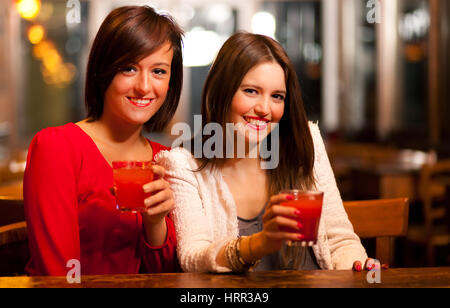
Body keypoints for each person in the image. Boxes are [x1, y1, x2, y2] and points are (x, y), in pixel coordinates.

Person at [156, 32, 371, 273]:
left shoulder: (305, 142)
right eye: (251, 91)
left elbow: (340, 241)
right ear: (222, 92)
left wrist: (359, 266)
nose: (264, 109)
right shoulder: (183, 164)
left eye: (277, 96)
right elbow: (193, 257)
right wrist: (259, 243)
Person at [24, 6, 183, 276]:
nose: (144, 87)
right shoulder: (57, 147)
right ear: (103, 71)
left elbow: (167, 276)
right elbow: (60, 274)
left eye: (158, 71)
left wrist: (155, 223)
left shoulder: (166, 160)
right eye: (129, 68)